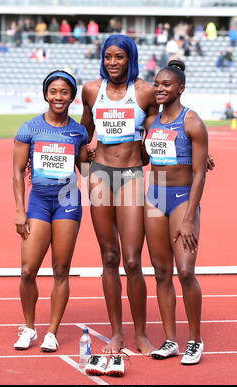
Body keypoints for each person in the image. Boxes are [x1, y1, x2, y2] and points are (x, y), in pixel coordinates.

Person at [80, 34, 159, 356]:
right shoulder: (90, 90)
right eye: (108, 57)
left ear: (130, 58)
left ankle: (140, 333)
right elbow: (83, 133)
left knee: (132, 260)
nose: (113, 63)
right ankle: (117, 334)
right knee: (109, 258)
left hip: (130, 176)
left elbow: (157, 138)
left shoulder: (145, 93)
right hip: (99, 175)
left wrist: (195, 154)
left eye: (120, 57)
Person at [13, 70, 88, 352]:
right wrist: (20, 211)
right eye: (54, 91)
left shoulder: (79, 131)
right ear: (46, 94)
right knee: (27, 270)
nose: (59, 97)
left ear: (72, 97)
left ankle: (52, 333)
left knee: (61, 269)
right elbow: (17, 173)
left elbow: (87, 169)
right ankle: (30, 328)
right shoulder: (29, 128)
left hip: (68, 200)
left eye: (64, 92)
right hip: (39, 201)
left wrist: (93, 158)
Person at [142, 60, 207, 365]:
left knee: (185, 271)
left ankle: (195, 339)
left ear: (180, 88)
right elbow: (145, 155)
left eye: (166, 85)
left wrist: (189, 217)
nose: (159, 89)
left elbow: (199, 174)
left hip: (182, 199)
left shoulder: (192, 121)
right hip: (154, 197)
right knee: (161, 273)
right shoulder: (151, 121)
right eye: (157, 84)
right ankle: (170, 340)